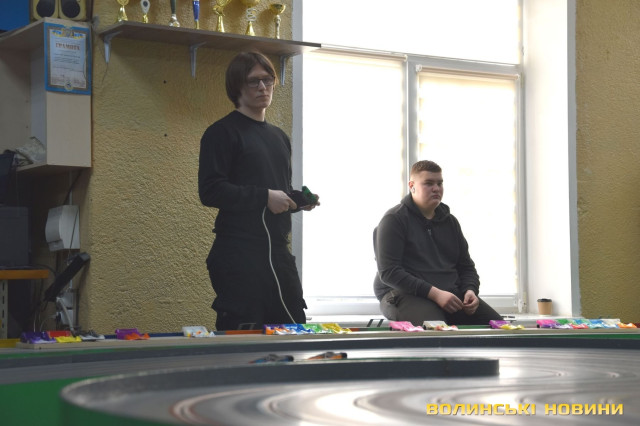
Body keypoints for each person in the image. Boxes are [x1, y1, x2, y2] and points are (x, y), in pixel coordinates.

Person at [198, 52, 317, 330]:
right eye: (254, 81)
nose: (263, 87)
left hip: (278, 254)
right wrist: (264, 197)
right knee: (245, 336)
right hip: (239, 254)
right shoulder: (221, 133)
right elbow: (210, 190)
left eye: (268, 80)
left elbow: (278, 191)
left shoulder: (279, 137)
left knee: (293, 329)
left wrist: (297, 200)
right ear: (237, 87)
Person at [373, 160, 501, 326]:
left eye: (439, 183)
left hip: (448, 293)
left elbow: (466, 267)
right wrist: (436, 294)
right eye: (428, 183)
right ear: (412, 186)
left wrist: (470, 290)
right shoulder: (394, 220)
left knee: (501, 328)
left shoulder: (450, 222)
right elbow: (389, 272)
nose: (436, 188)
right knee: (437, 329)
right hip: (403, 294)